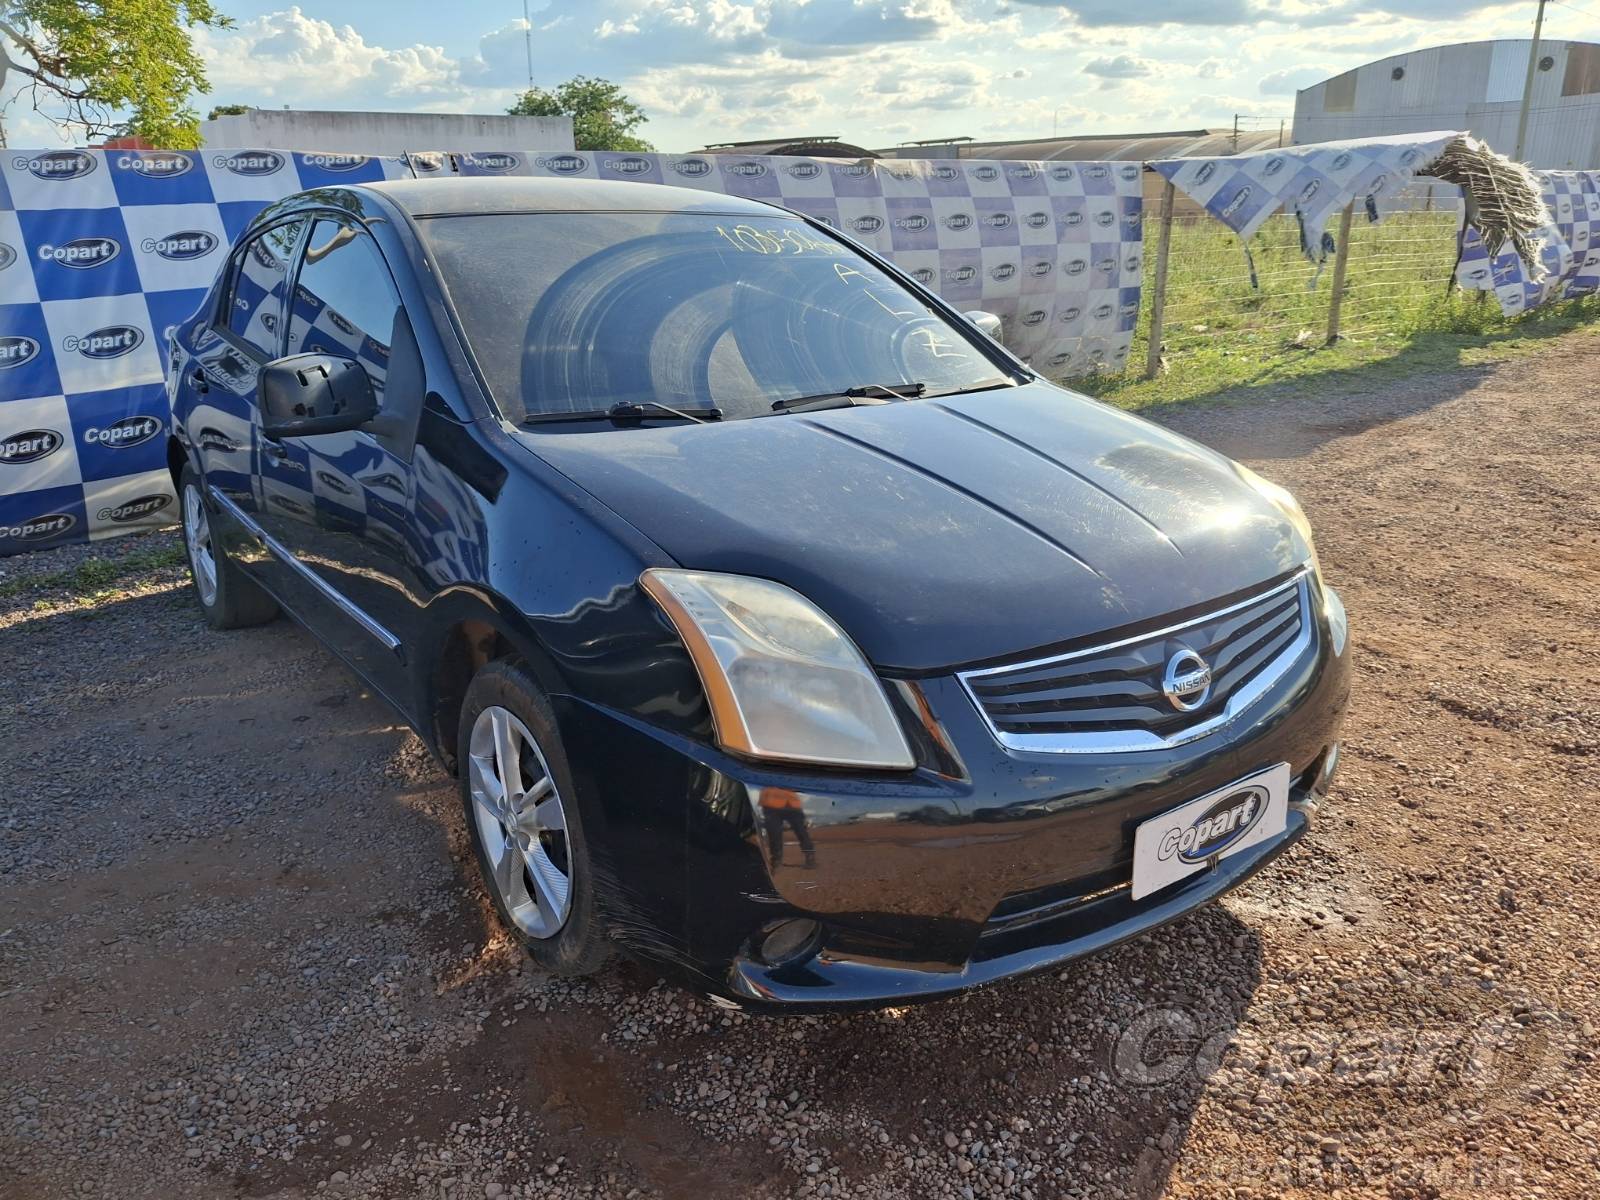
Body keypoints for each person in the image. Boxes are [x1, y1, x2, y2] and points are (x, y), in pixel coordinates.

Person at [759, 787, 816, 869]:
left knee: (801, 831)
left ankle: (810, 856)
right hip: (771, 802)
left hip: (791, 802)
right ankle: (776, 860)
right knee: (774, 833)